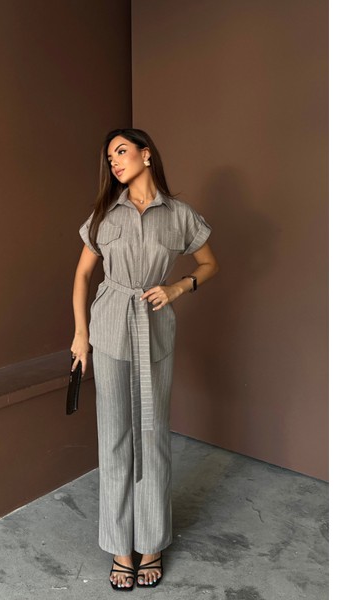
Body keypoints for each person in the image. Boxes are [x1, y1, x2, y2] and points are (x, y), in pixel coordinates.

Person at [70, 128, 219, 590]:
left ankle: (151, 542)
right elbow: (82, 276)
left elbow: (209, 264)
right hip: (109, 327)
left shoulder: (179, 215)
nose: (114, 161)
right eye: (109, 157)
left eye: (121, 151)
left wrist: (177, 288)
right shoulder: (103, 215)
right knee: (114, 436)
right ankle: (120, 547)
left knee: (152, 436)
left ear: (146, 154)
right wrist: (80, 335)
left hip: (154, 326)